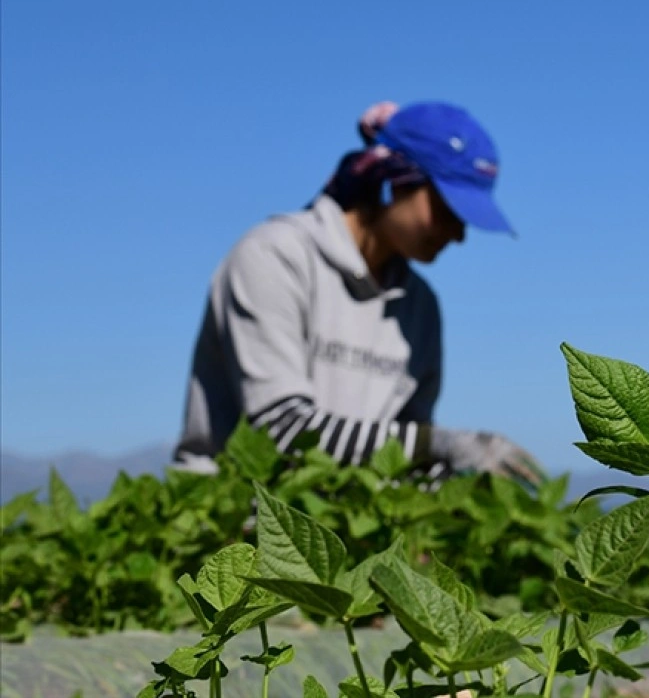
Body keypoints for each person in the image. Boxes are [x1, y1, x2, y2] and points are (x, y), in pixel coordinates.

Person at [172, 100, 545, 489]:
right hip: (230, 521)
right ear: (392, 180)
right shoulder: (274, 258)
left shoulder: (419, 307)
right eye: (447, 209)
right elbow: (281, 429)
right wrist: (441, 445)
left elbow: (400, 459)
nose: (458, 234)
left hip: (340, 519)